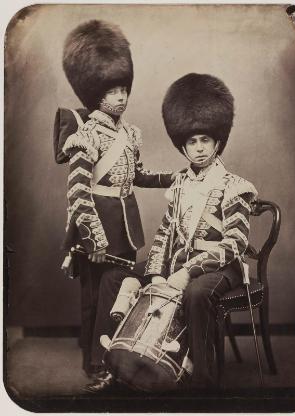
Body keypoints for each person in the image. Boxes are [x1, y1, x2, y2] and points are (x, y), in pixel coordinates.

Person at [54, 20, 175, 390]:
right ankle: (94, 365)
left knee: (115, 294)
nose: (121, 97)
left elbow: (137, 176)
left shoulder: (129, 133)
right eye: (112, 91)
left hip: (125, 227)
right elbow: (77, 193)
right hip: (96, 229)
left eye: (124, 89)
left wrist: (175, 177)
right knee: (94, 299)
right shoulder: (84, 134)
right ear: (95, 93)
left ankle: (107, 356)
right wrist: (93, 235)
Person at [142, 73, 258, 390]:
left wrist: (188, 271)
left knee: (196, 292)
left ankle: (202, 381)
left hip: (224, 268)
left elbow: (236, 242)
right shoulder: (179, 185)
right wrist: (155, 272)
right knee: (121, 274)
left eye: (205, 140)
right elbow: (165, 234)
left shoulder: (234, 186)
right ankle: (125, 361)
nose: (199, 148)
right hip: (183, 264)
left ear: (218, 142)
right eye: (192, 142)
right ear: (183, 147)